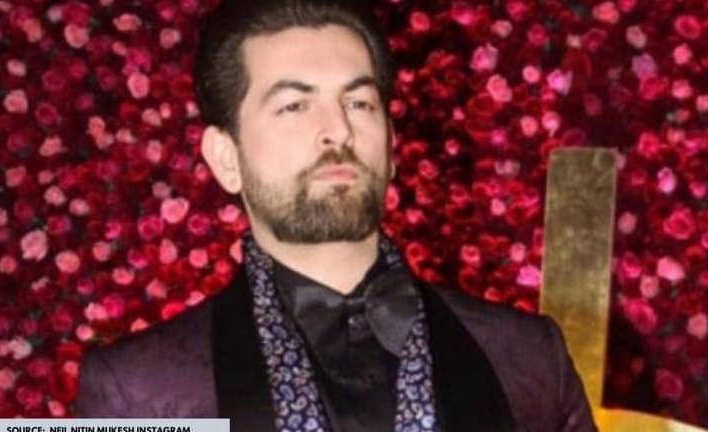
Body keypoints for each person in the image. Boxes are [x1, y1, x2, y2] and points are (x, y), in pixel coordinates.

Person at [74, 0, 596, 430]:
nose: (339, 130)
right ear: (226, 158)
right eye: (295, 106)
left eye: (359, 103)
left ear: (392, 144)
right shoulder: (138, 391)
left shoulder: (526, 357)